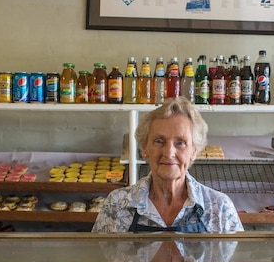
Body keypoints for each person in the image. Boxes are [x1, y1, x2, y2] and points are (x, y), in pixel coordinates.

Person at [92, 97, 243, 233]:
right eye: (159, 141)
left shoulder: (219, 208)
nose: (169, 152)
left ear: (193, 152)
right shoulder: (117, 205)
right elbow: (99, 261)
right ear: (144, 148)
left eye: (181, 143)